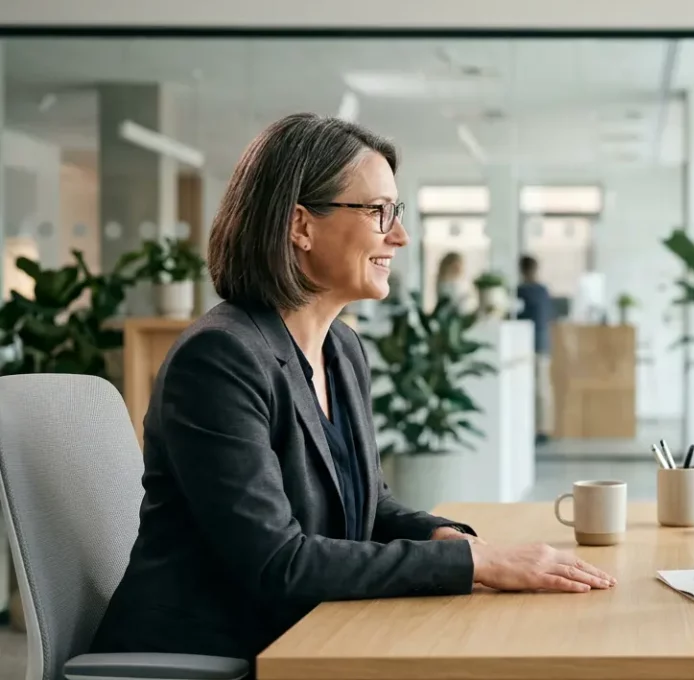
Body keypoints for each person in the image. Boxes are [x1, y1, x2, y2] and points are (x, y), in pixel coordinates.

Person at [89, 113, 614, 666]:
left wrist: (449, 539)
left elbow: (368, 505)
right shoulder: (219, 359)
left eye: (397, 212)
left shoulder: (341, 349)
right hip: (218, 655)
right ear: (301, 226)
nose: (400, 236)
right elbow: (278, 563)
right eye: (378, 212)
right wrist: (475, 567)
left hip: (308, 633)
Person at [516, 255, 555, 443]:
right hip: (535, 343)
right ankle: (538, 428)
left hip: (536, 344)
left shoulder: (524, 291)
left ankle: (542, 429)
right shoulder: (540, 290)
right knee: (539, 388)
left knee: (540, 388)